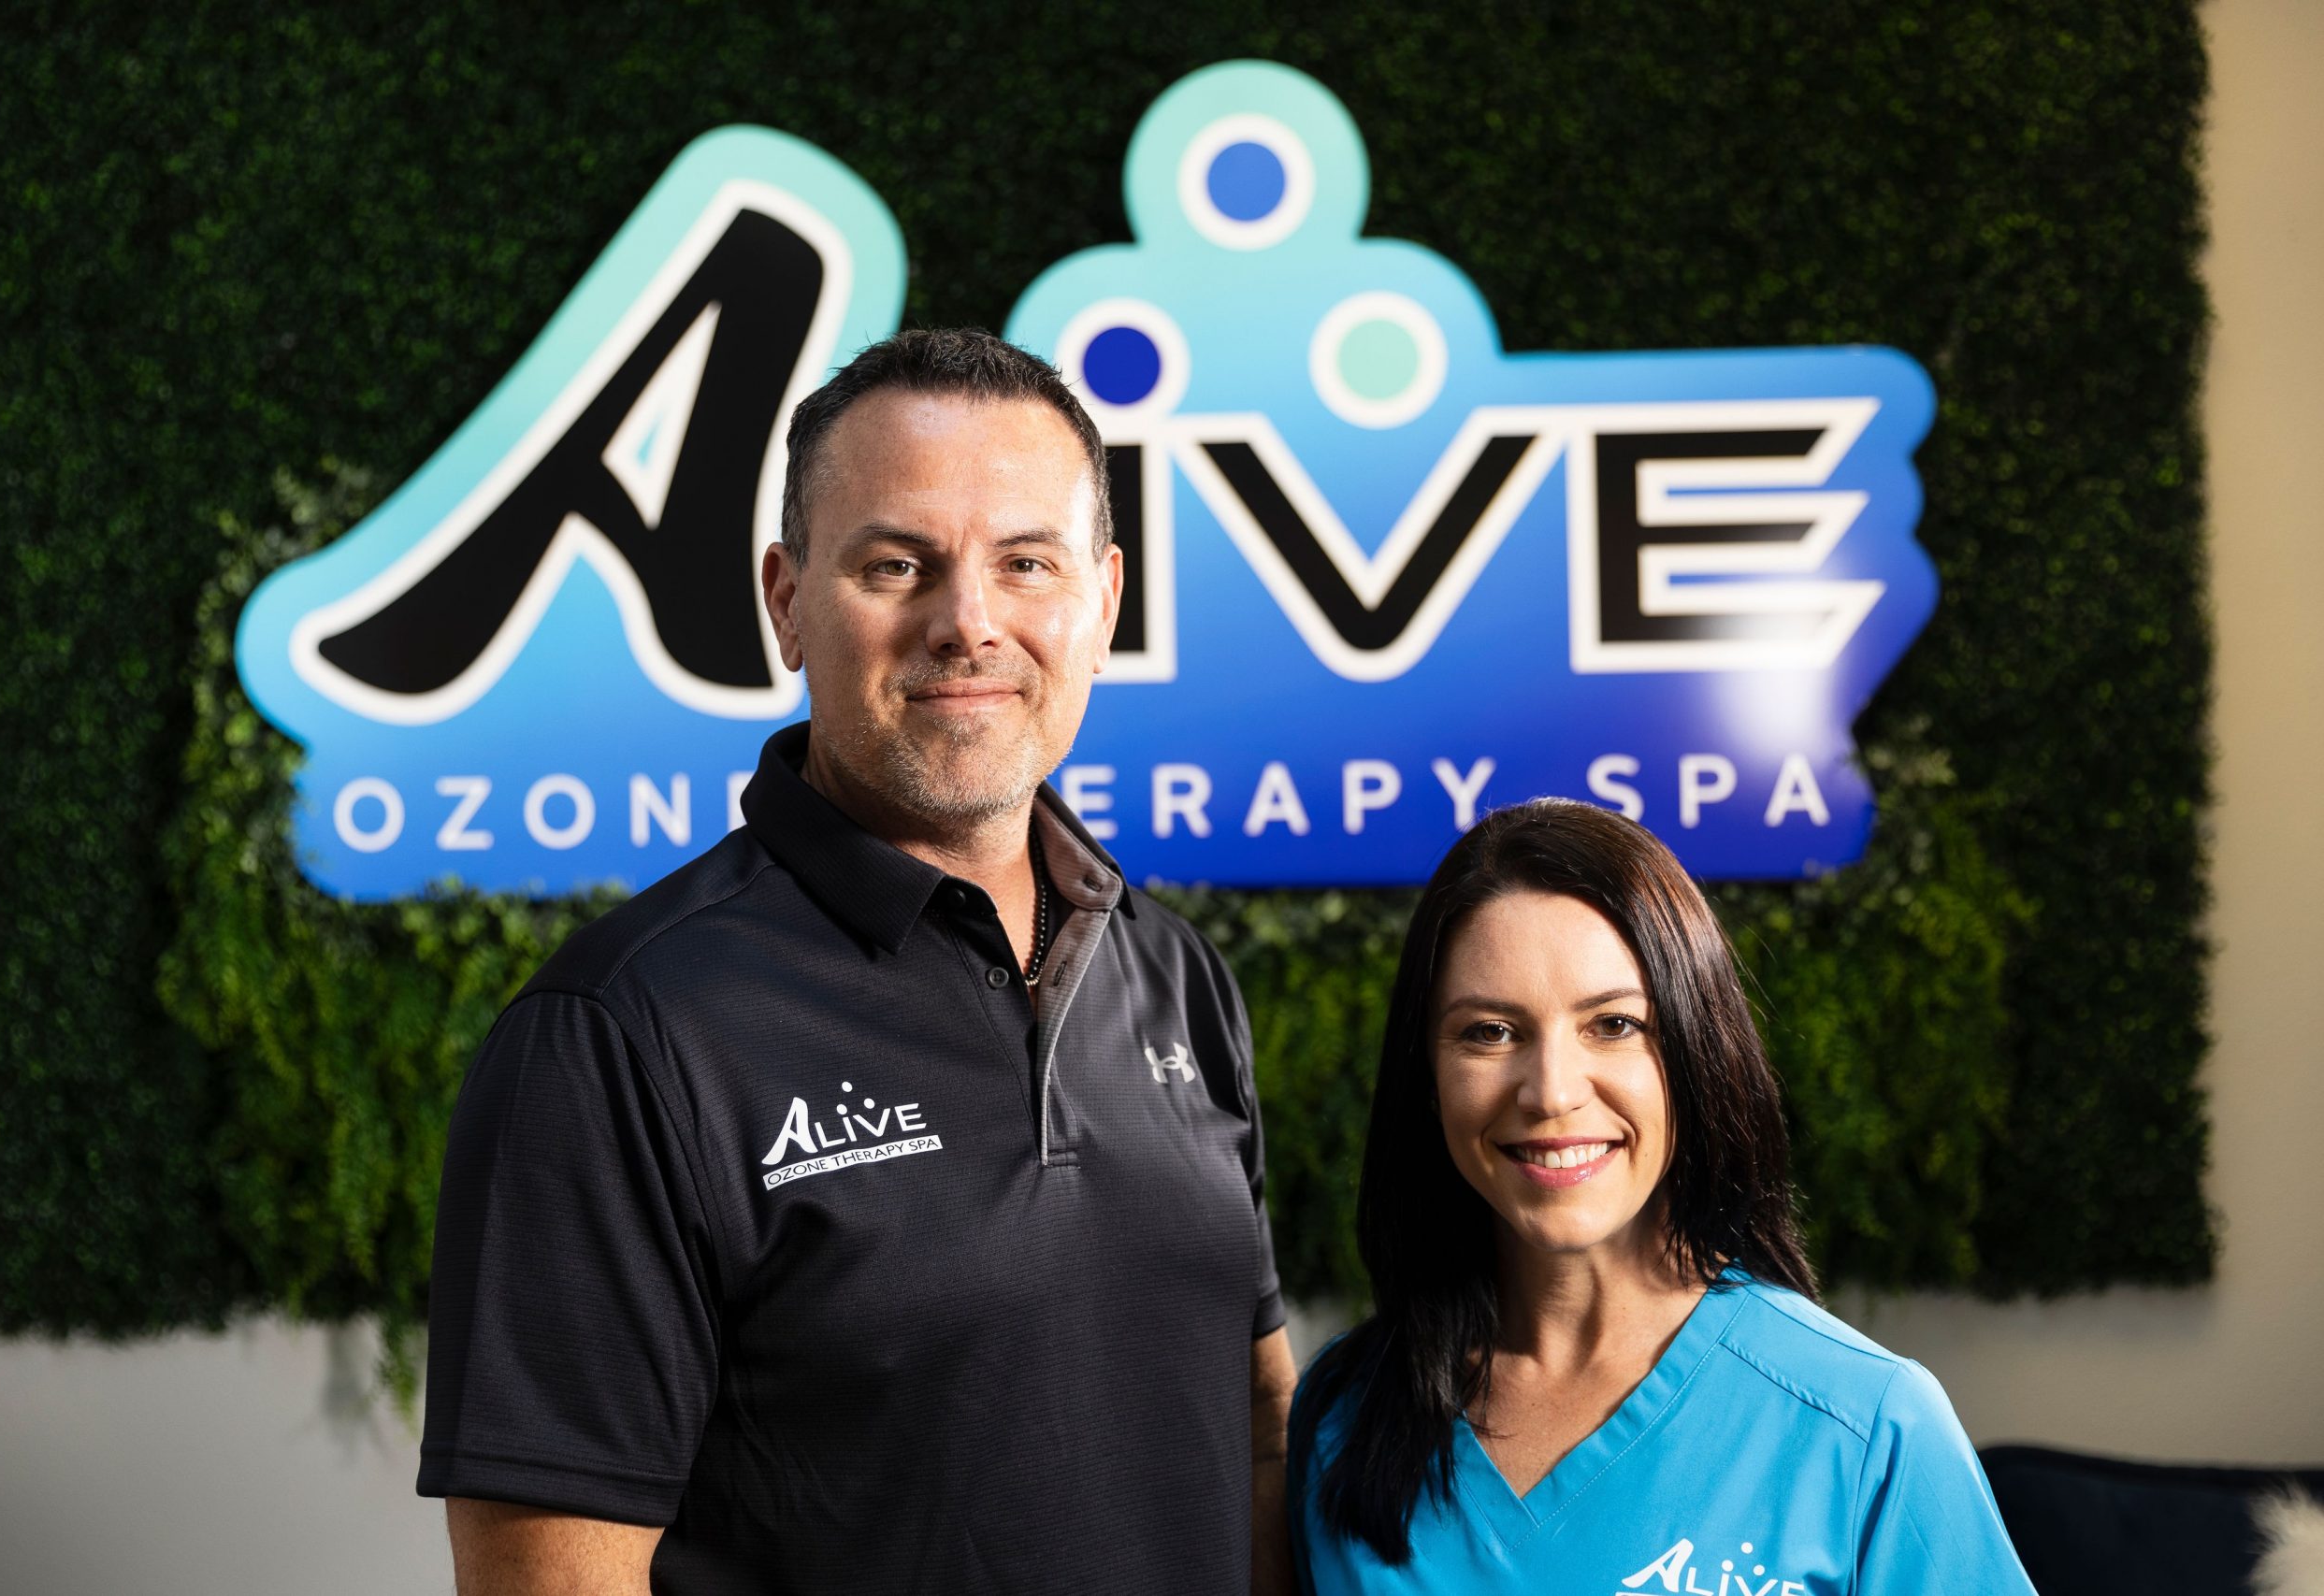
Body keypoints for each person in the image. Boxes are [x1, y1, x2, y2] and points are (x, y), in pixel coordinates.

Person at [419, 328, 1296, 1595]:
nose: (969, 623)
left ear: (1104, 601)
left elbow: (1258, 1429)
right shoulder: (617, 1036)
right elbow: (546, 1574)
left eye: (1026, 562)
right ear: (787, 600)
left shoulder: (1175, 976)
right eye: (897, 565)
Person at [1289, 800, 2035, 1594]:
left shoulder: (1868, 1425)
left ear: (1695, 1053)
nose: (1551, 1092)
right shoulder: (1340, 1415)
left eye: (1614, 1024)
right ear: (1428, 1077)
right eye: (1490, 1031)